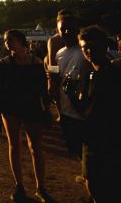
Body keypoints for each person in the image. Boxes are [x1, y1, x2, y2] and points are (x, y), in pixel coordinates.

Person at [74, 26, 121, 202]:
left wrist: (72, 97)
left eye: (93, 46)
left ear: (104, 46)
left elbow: (89, 112)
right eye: (85, 47)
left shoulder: (107, 74)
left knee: (100, 186)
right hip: (106, 140)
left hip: (105, 142)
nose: (89, 51)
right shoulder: (96, 73)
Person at [0, 30, 52, 202]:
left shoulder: (37, 63)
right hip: (10, 108)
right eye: (5, 40)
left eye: (11, 40)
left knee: (35, 147)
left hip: (32, 107)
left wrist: (47, 109)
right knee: (14, 147)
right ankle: (19, 186)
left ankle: (40, 187)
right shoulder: (3, 63)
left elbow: (43, 90)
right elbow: (1, 91)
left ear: (21, 41)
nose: (7, 43)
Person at [48, 11, 90, 159]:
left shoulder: (86, 51)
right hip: (66, 112)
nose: (66, 32)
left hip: (83, 112)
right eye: (62, 29)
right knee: (77, 151)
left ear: (77, 29)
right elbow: (55, 72)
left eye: (70, 28)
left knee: (88, 152)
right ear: (57, 31)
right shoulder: (59, 53)